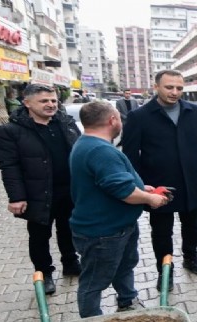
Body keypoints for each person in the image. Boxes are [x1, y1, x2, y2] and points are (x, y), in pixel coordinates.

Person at [122, 69, 197, 292]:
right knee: (161, 231)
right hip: (158, 186)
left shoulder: (195, 112)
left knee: (192, 224)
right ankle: (164, 270)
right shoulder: (140, 116)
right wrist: (138, 185)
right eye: (169, 87)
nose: (175, 92)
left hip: (191, 181)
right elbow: (129, 155)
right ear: (156, 87)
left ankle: (191, 258)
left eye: (179, 88)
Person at [69, 101, 168, 317]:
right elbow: (124, 192)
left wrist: (142, 187)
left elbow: (111, 181)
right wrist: (150, 199)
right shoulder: (100, 150)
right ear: (112, 120)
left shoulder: (87, 143)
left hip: (119, 227)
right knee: (94, 281)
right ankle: (91, 318)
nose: (121, 122)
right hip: (103, 233)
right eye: (119, 118)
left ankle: (127, 300)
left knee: (125, 266)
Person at [0, 84, 81, 295]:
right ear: (27, 103)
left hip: (69, 190)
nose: (50, 105)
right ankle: (44, 274)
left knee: (68, 229)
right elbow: (9, 166)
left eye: (53, 100)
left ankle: (70, 263)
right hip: (37, 194)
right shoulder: (10, 131)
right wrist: (16, 197)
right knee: (40, 236)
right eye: (44, 101)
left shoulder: (65, 123)